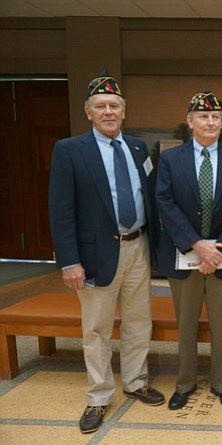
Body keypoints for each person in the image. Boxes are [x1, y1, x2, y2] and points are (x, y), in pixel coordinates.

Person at [48, 70, 164, 434]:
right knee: (96, 329)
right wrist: (70, 262)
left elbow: (150, 197)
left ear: (124, 112)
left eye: (114, 105)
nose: (108, 111)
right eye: (101, 106)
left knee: (138, 321)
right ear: (88, 112)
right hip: (96, 255)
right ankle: (98, 396)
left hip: (138, 247)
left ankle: (135, 380)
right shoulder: (69, 151)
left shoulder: (137, 148)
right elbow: (61, 210)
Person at [156, 91, 222, 411]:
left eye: (216, 117)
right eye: (204, 117)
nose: (211, 122)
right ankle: (184, 383)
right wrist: (197, 245)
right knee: (186, 325)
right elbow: (165, 203)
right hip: (185, 254)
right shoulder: (171, 159)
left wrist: (217, 251)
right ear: (190, 121)